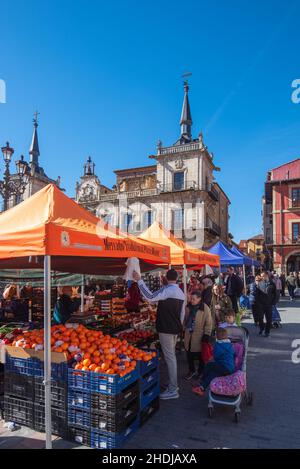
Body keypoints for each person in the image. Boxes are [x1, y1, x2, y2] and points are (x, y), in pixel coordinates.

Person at [133, 268, 185, 400]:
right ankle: (173, 385)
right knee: (171, 357)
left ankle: (173, 389)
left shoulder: (168, 290)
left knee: (170, 358)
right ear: (177, 278)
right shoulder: (180, 292)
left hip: (166, 328)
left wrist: (140, 280)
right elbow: (182, 314)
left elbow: (149, 297)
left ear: (166, 278)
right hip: (174, 328)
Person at [192, 327, 235, 397]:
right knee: (213, 373)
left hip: (223, 366)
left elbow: (215, 356)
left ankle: (201, 381)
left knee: (208, 365)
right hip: (230, 368)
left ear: (217, 337)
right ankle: (201, 388)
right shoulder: (230, 345)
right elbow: (233, 353)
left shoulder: (218, 345)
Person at [183, 290, 212, 380]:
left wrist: (207, 334)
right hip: (188, 334)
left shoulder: (205, 308)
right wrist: (183, 327)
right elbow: (184, 319)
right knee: (189, 354)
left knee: (200, 356)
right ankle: (191, 371)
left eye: (193, 299)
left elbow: (209, 323)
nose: (191, 300)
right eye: (191, 298)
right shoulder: (187, 307)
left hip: (199, 335)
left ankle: (201, 372)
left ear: (199, 299)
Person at [257, 271, 277, 337]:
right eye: (261, 276)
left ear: (267, 276)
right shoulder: (259, 283)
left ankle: (267, 332)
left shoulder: (272, 284)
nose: (262, 277)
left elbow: (276, 294)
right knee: (260, 318)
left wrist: (273, 302)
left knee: (269, 319)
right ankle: (261, 329)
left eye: (263, 276)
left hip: (269, 304)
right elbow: (257, 294)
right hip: (261, 304)